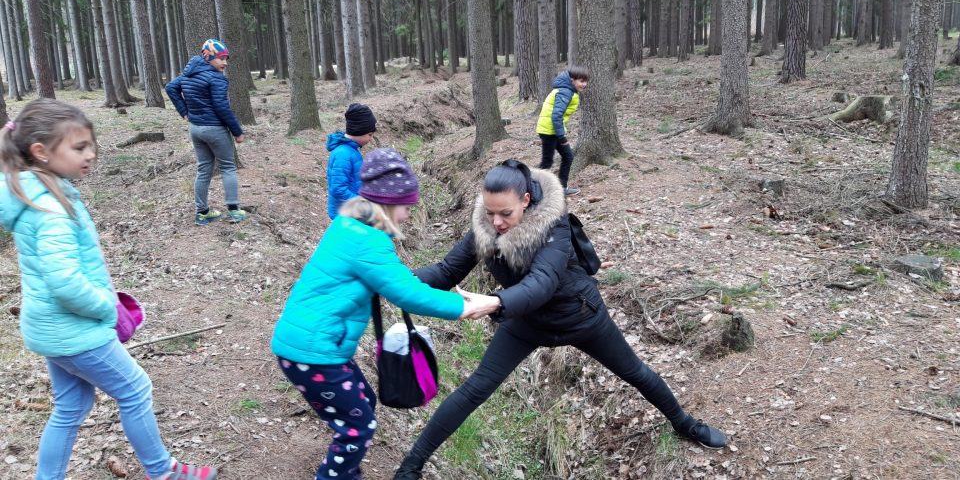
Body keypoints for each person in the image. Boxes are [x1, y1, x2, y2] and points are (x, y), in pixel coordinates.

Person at [394, 160, 726, 479]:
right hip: (526, 322)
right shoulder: (486, 226)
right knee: (474, 389)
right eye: (490, 212)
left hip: (580, 317)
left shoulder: (555, 227)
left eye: (505, 214)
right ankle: (412, 466)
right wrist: (393, 281)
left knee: (635, 372)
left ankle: (684, 423)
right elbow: (447, 270)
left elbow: (541, 283)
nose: (496, 222)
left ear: (526, 200)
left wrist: (495, 302)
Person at [0, 99, 217, 480]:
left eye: (91, 145)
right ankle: (163, 472)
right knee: (135, 389)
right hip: (73, 329)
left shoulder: (34, 195)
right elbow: (65, 282)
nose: (91, 154)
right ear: (41, 152)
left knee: (70, 407)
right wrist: (107, 307)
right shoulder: (52, 209)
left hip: (49, 327)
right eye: (79, 147)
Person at [271, 148, 500, 480]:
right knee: (358, 427)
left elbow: (395, 281)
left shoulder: (351, 225)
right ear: (388, 204)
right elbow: (406, 293)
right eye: (407, 208)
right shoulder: (367, 241)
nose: (408, 216)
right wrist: (464, 307)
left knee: (363, 399)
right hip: (314, 351)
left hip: (318, 345)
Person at [165, 38, 247, 225]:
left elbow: (171, 87)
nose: (225, 63)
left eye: (226, 58)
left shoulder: (189, 73)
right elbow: (221, 107)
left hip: (195, 129)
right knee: (227, 167)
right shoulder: (216, 78)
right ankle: (234, 211)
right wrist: (237, 131)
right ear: (208, 57)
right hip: (215, 129)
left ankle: (202, 213)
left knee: (203, 169)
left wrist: (185, 112)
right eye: (220, 59)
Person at [536, 65, 590, 196]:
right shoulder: (566, 92)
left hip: (551, 130)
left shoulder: (567, 90)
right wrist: (562, 137)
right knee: (547, 161)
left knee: (567, 156)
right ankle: (530, 186)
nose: (585, 84)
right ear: (572, 80)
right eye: (581, 81)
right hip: (550, 131)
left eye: (586, 81)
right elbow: (556, 116)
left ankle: (561, 188)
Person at [326, 103, 377, 219]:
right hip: (344, 215)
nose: (371, 138)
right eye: (369, 134)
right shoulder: (343, 154)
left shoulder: (352, 150)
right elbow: (338, 189)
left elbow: (354, 178)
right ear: (359, 130)